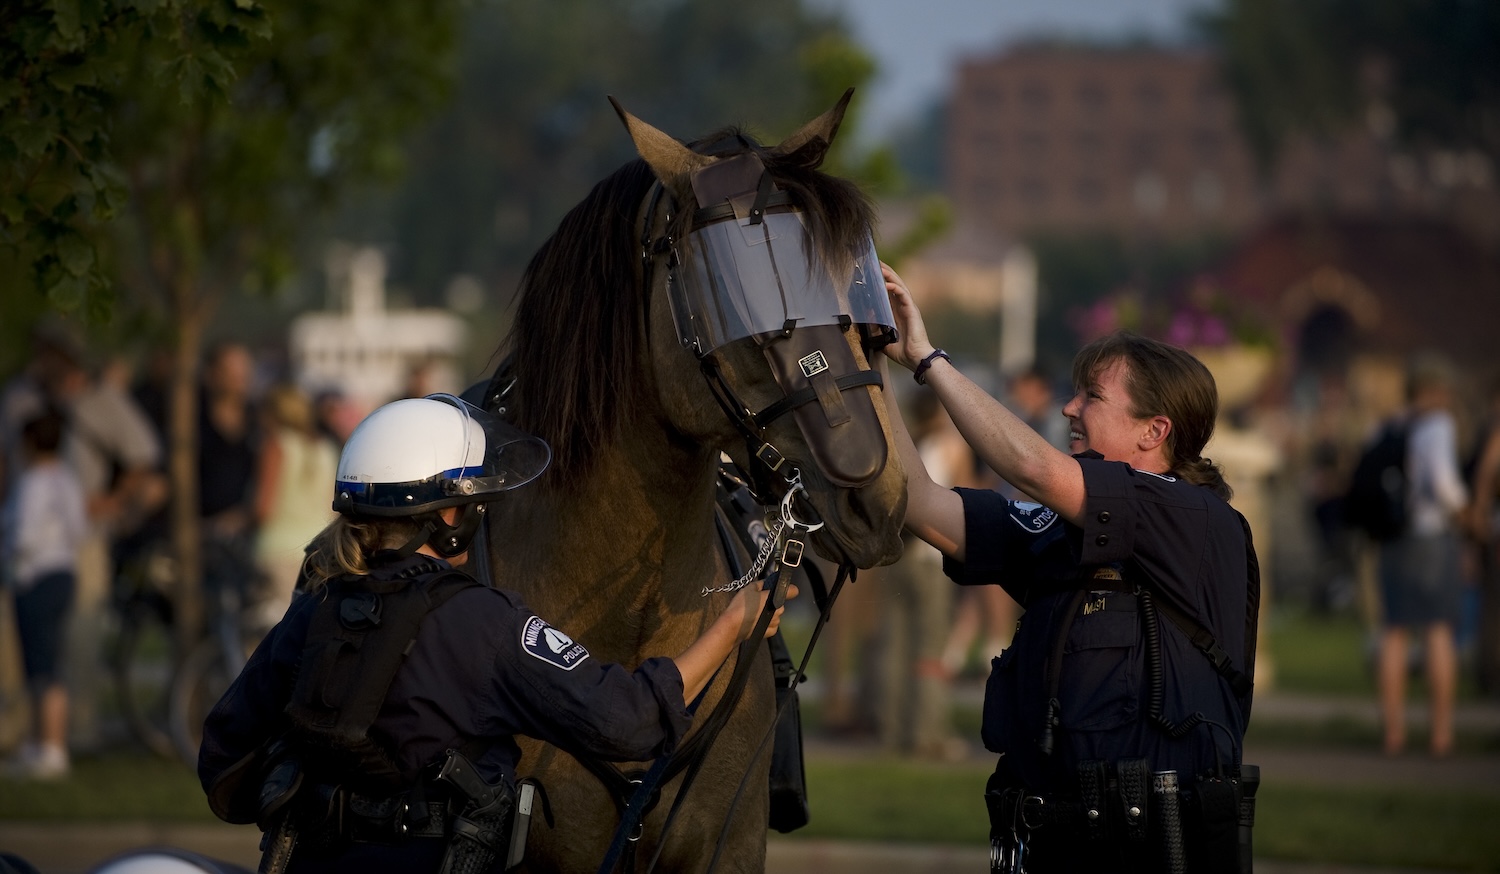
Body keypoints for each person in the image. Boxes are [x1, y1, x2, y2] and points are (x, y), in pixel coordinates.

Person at [197, 394, 791, 873]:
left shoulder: (314, 608)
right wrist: (733, 624)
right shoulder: (482, 622)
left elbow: (224, 763)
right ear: (449, 515)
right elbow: (628, 720)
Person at [880, 263, 1259, 872]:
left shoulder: (1192, 517)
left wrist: (928, 360)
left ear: (1154, 430)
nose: (1068, 406)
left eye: (1092, 397)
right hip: (1050, 845)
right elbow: (922, 504)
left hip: (1152, 851)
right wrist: (871, 361)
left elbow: (1036, 470)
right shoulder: (1069, 525)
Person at [1377, 356, 1468, 757]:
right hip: (1430, 536)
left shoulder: (1391, 424)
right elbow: (1444, 484)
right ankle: (1440, 734)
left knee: (1394, 632)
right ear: (1438, 390)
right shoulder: (1438, 425)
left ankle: (1394, 733)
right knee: (1437, 632)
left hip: (1394, 538)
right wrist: (1467, 515)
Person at [2, 410, 89, 779]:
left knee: (42, 664)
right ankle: (42, 742)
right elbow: (79, 528)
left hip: (36, 577)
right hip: (64, 572)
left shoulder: (34, 482)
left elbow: (23, 536)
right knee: (48, 659)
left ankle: (51, 748)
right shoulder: (67, 479)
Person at [251, 384, 338, 624]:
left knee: (268, 630)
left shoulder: (276, 445)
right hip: (317, 551)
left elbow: (263, 508)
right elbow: (332, 508)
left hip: (277, 549)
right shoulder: (325, 448)